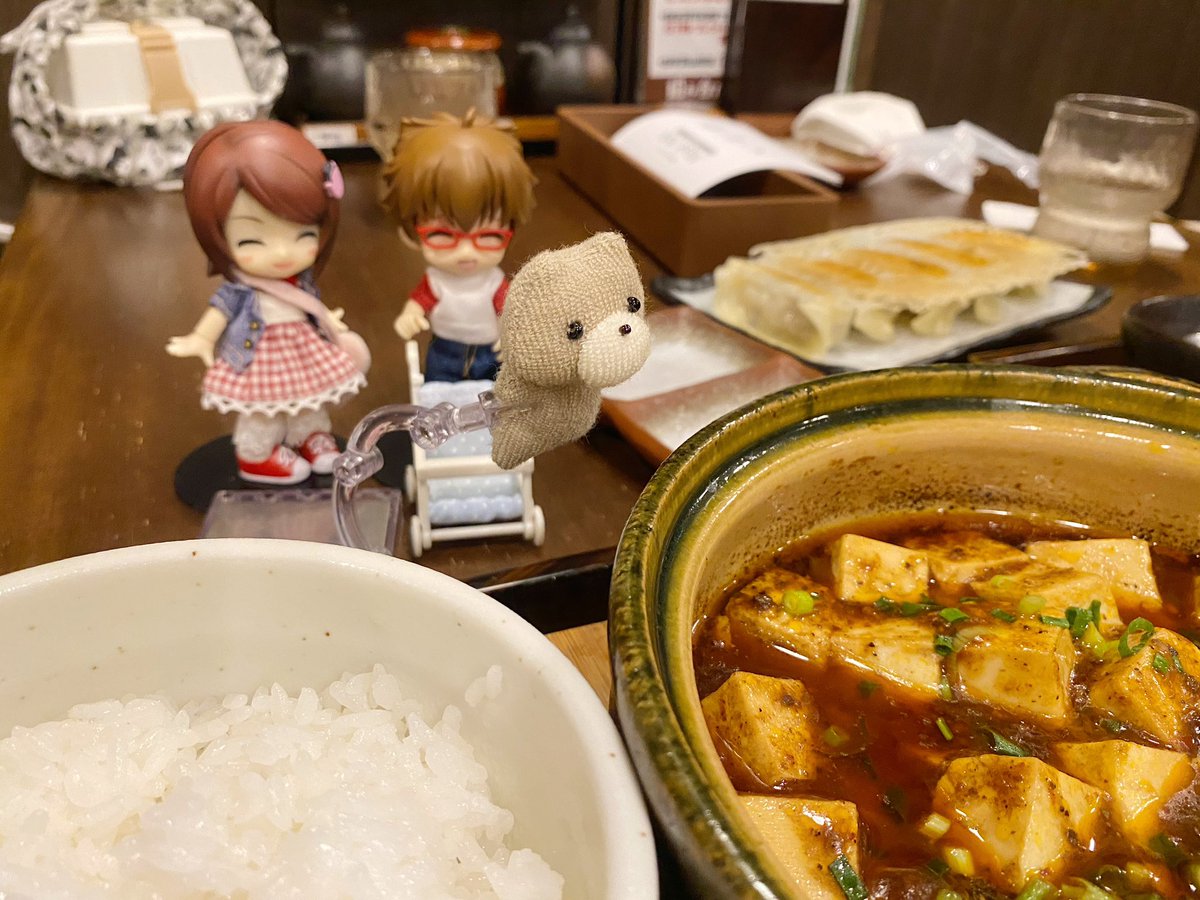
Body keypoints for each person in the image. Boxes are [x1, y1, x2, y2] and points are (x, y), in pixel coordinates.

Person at [167, 121, 369, 485]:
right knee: (262, 411)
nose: (282, 254)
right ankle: (257, 455)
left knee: (309, 400)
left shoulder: (300, 282)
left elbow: (309, 303)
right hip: (259, 357)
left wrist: (329, 320)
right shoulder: (242, 290)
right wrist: (201, 338)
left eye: (303, 235)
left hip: (303, 351)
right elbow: (221, 310)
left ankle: (309, 437)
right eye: (252, 241)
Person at [379, 111, 536, 382]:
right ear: (412, 228)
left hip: (491, 351)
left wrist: (511, 335)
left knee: (492, 396)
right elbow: (421, 300)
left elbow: (508, 311)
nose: (466, 252)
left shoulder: (493, 282)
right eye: (442, 234)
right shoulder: (436, 280)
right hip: (444, 350)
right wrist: (410, 315)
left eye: (488, 236)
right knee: (438, 395)